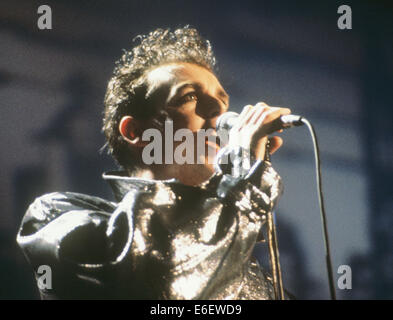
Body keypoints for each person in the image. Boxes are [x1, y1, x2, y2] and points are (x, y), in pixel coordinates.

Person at [16, 27, 291, 299]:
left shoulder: (248, 268)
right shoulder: (57, 218)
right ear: (135, 132)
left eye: (222, 99)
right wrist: (243, 181)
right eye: (190, 97)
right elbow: (165, 286)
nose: (219, 111)